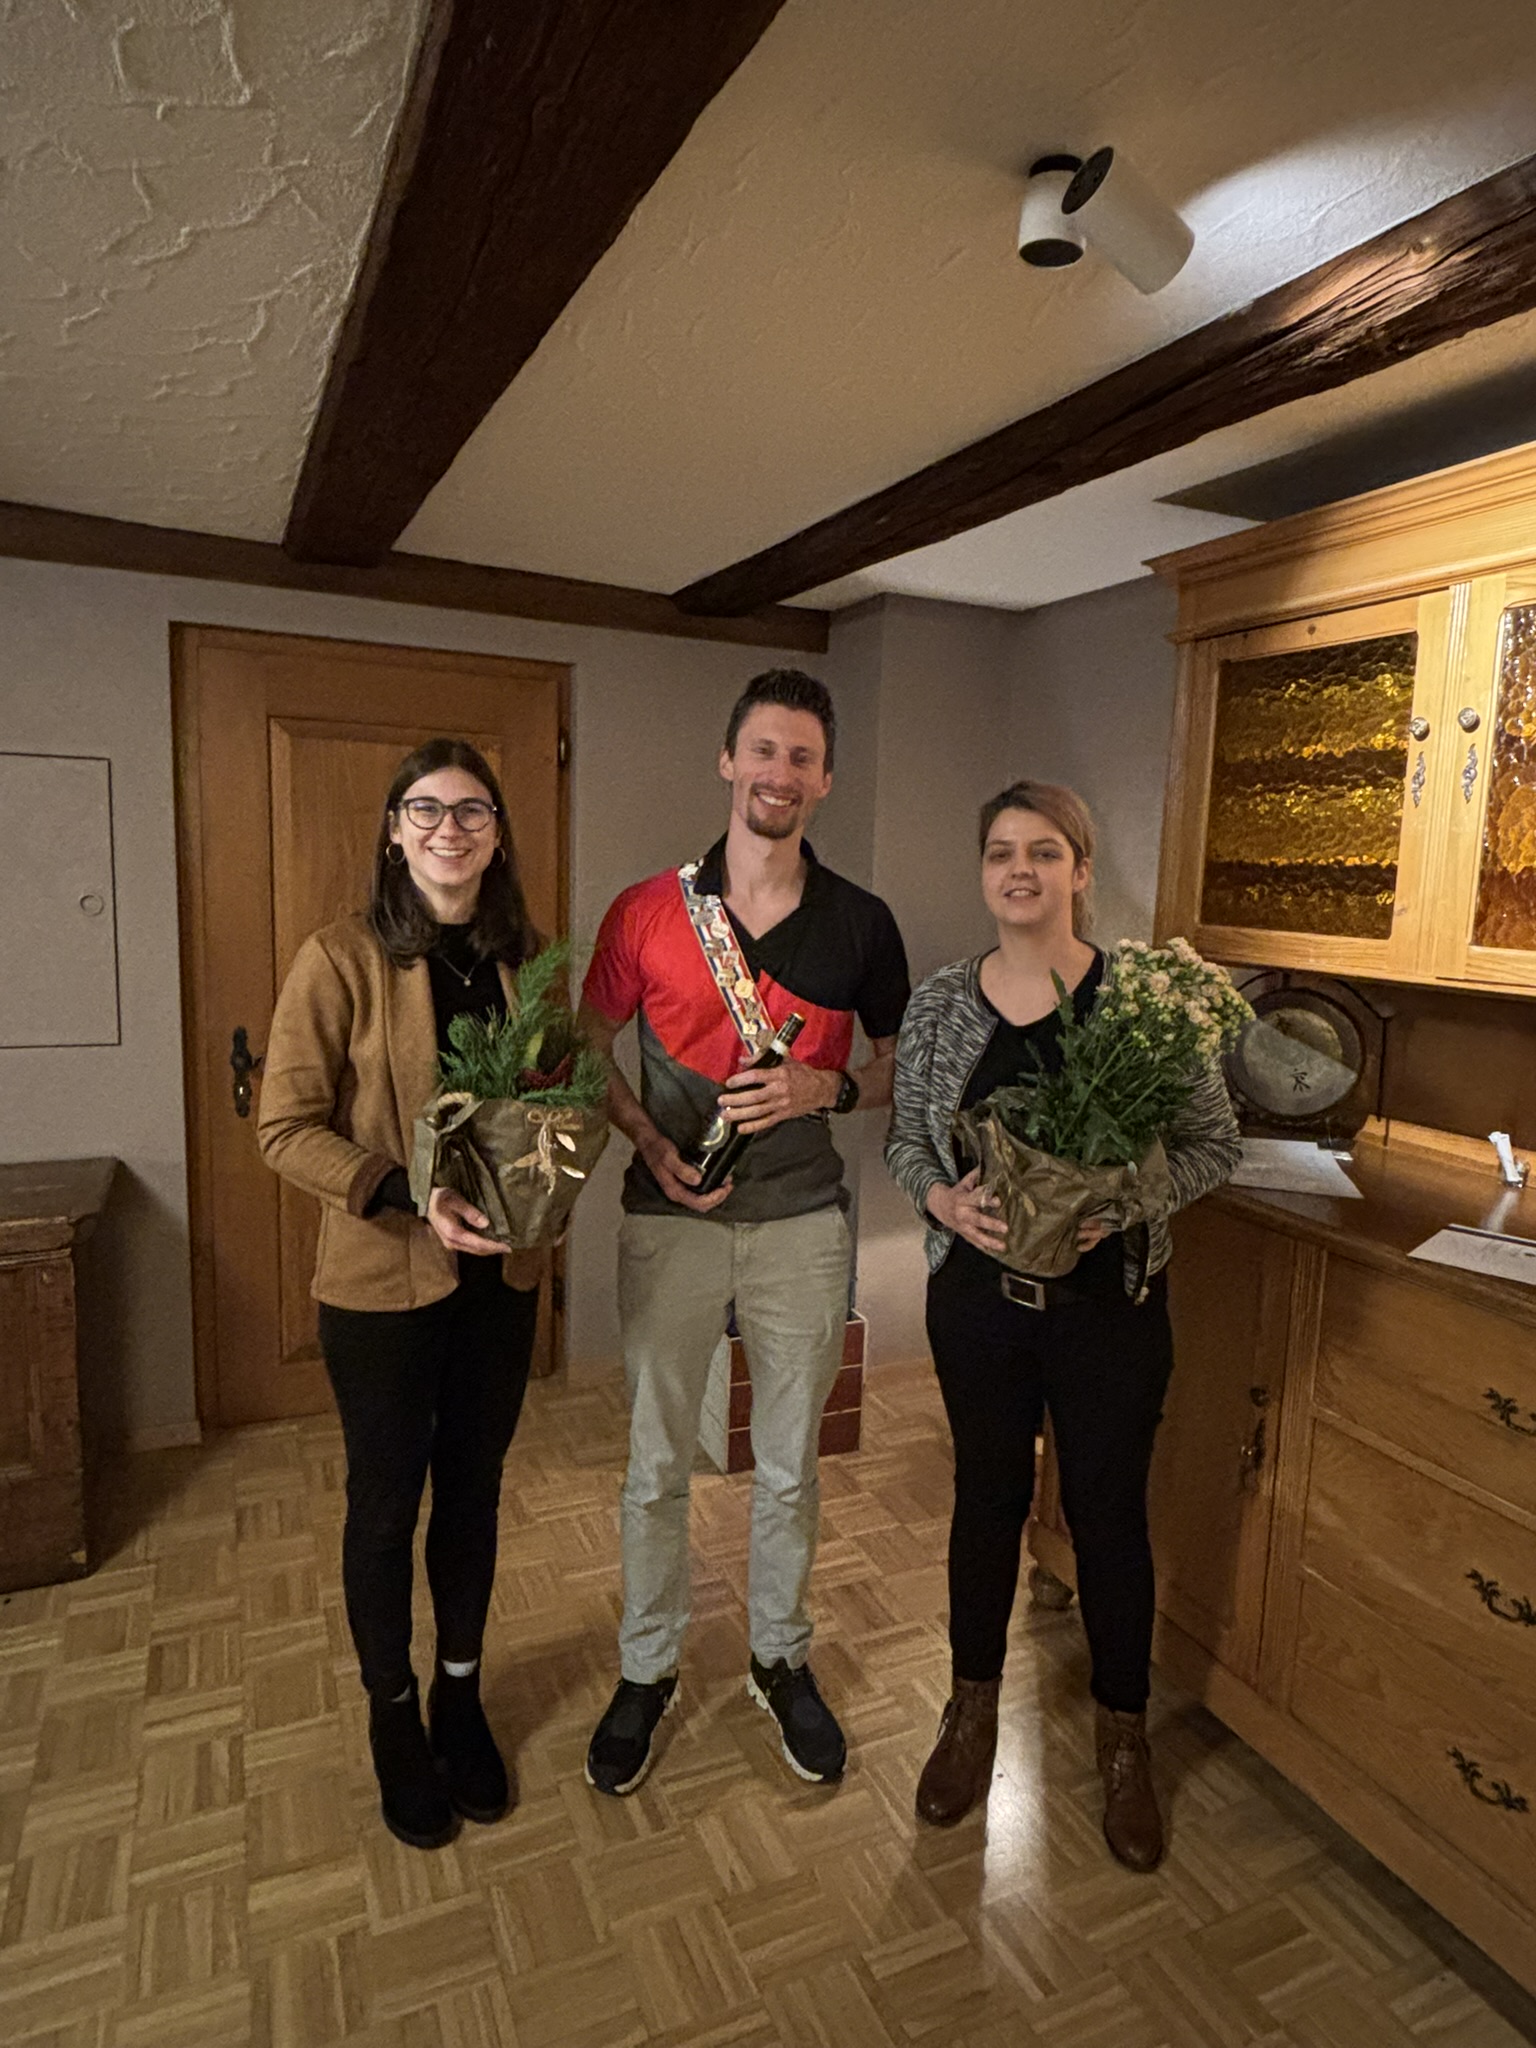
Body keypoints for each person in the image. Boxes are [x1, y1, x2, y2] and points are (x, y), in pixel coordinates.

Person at [884, 780, 1240, 1866]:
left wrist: (1121, 1204)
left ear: (1082, 871)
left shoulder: (1141, 1005)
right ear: (983, 872)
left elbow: (1214, 1146)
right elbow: (906, 1141)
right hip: (978, 1310)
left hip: (1108, 1315)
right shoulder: (942, 1003)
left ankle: (1123, 1737)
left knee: (1108, 1516)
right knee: (986, 1501)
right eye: (1001, 852)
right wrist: (940, 1202)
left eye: (1045, 851)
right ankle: (969, 1709)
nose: (1021, 870)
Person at [577, 668, 910, 1794]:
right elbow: (587, 1045)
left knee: (789, 1466)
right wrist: (645, 1139)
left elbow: (901, 1065)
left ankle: (779, 1657)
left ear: (826, 780)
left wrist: (827, 1089)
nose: (781, 773)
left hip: (803, 1227)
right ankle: (646, 1668)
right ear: (728, 761)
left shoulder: (862, 922)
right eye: (763, 750)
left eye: (802, 757)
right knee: (654, 1463)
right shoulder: (645, 910)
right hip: (668, 1216)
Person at [258, 738, 543, 1851]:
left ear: (497, 835)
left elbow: (556, 1098)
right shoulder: (338, 957)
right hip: (382, 1283)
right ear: (393, 830)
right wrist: (408, 1192)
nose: (448, 829)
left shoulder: (526, 959)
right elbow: (284, 1127)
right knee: (386, 1506)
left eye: (472, 810)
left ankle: (459, 1696)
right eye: (425, 809)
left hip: (500, 1281)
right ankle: (392, 1713)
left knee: (472, 1492)